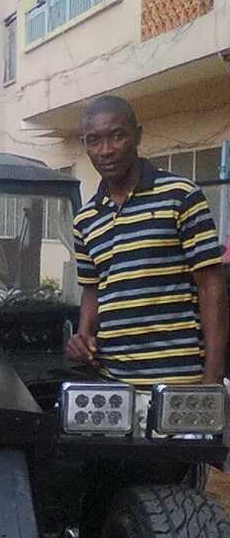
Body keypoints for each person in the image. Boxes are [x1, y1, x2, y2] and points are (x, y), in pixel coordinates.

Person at [66, 95, 228, 389]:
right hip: (114, 385)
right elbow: (92, 289)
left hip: (182, 382)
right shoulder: (85, 219)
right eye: (94, 140)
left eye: (117, 136)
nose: (106, 150)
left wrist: (212, 380)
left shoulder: (180, 195)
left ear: (137, 135)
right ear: (85, 144)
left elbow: (211, 287)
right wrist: (83, 336)